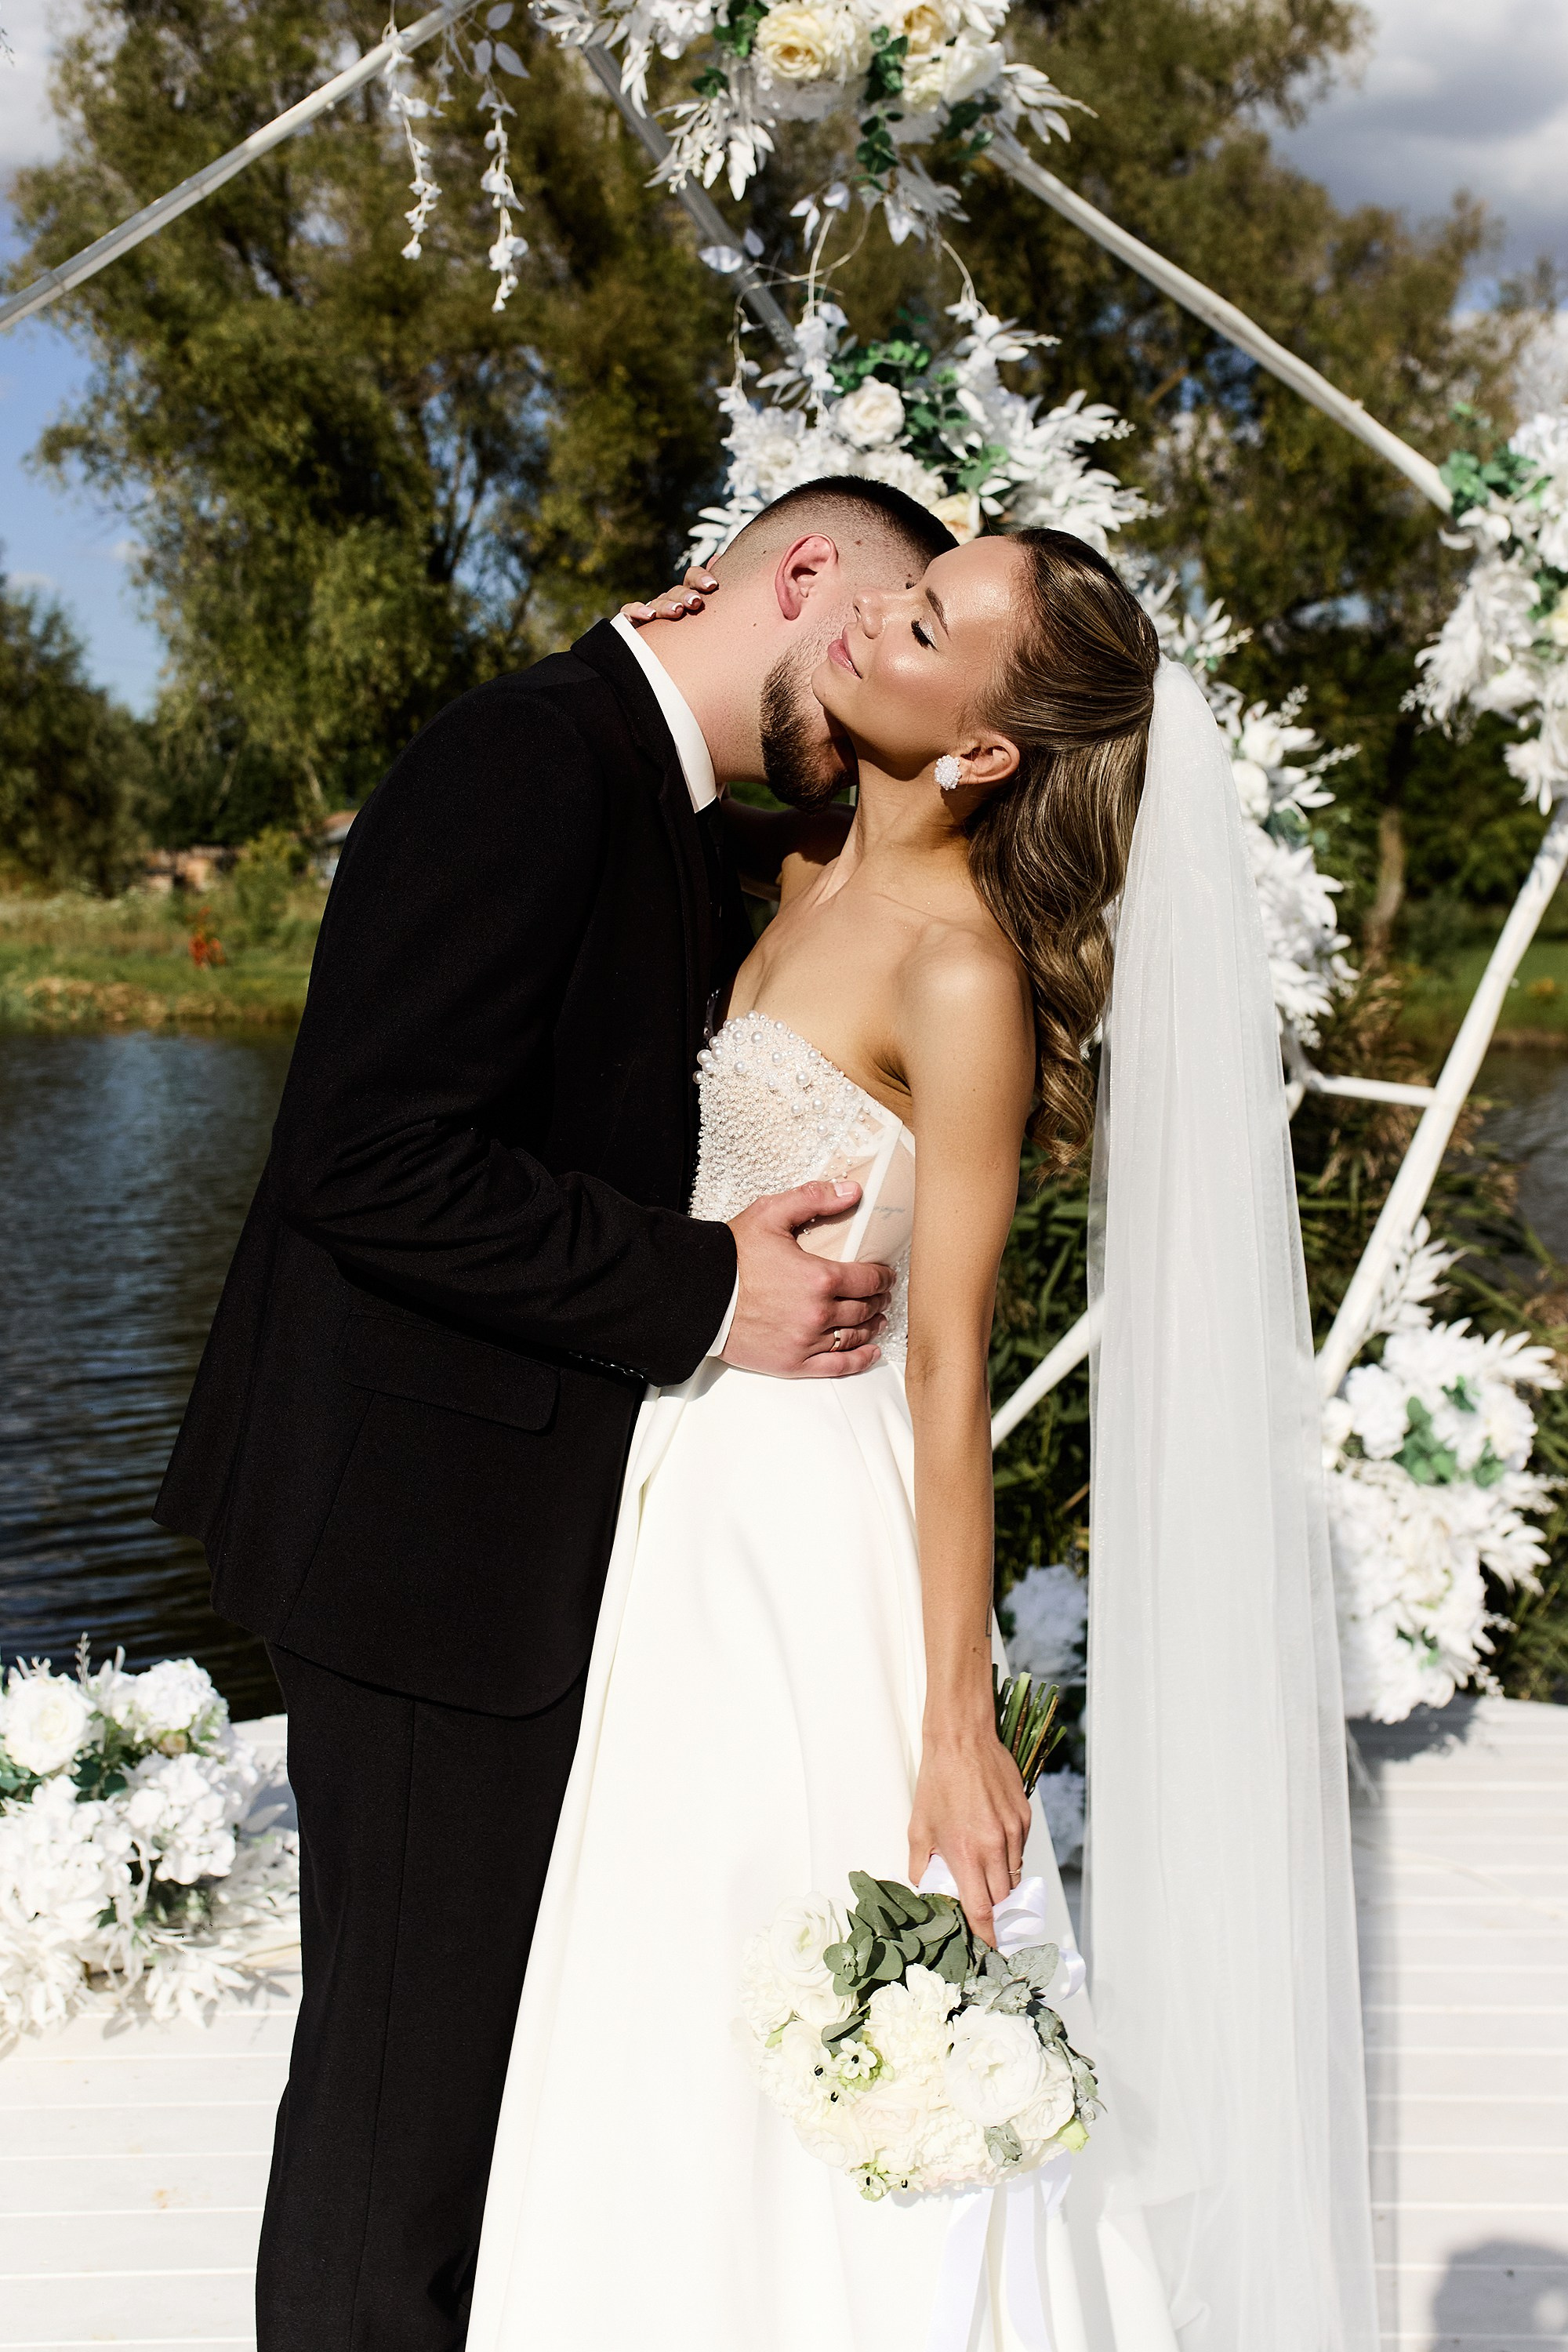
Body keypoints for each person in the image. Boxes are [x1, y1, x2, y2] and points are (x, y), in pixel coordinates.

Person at [468, 528, 1378, 2351]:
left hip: (813, 1528)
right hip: (687, 1485)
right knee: (655, 1966)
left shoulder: (958, 974)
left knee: (790, 1943)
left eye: (932, 616)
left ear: (981, 753)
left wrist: (956, 1722)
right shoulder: (792, 862)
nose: (879, 604)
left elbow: (948, 1368)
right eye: (911, 578)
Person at [153, 477, 959, 2352]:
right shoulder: (525, 764)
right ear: (809, 574)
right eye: (878, 638)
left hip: (513, 1540)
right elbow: (366, 1156)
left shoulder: (674, 811)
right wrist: (706, 1291)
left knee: (471, 2102)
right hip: (418, 1543)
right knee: (397, 2125)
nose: (863, 717)